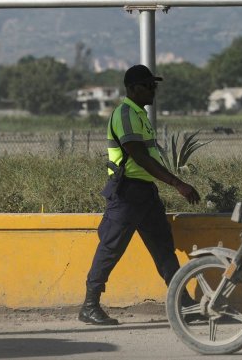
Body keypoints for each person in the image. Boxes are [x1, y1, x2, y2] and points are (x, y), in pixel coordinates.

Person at [79, 64, 201, 326]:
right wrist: (177, 183)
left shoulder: (139, 115)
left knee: (164, 249)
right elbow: (139, 156)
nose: (153, 90)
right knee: (111, 248)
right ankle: (89, 306)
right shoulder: (125, 114)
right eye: (148, 85)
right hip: (127, 193)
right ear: (133, 88)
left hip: (145, 193)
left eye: (154, 85)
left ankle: (184, 303)